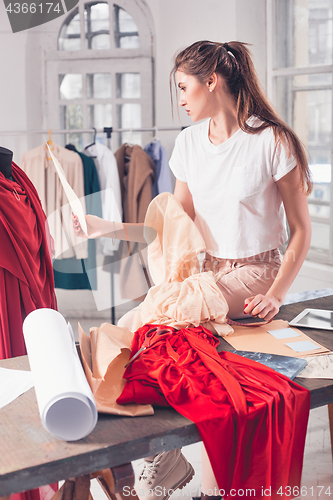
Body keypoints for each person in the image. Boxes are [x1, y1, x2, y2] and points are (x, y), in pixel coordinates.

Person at [73, 40, 312, 500]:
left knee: (155, 321)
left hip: (257, 273)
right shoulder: (187, 144)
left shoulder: (271, 141)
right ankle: (163, 455)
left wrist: (279, 292)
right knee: (134, 330)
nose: (179, 99)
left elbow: (300, 231)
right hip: (207, 275)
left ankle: (165, 461)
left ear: (212, 81)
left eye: (183, 87)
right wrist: (105, 228)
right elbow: (171, 227)